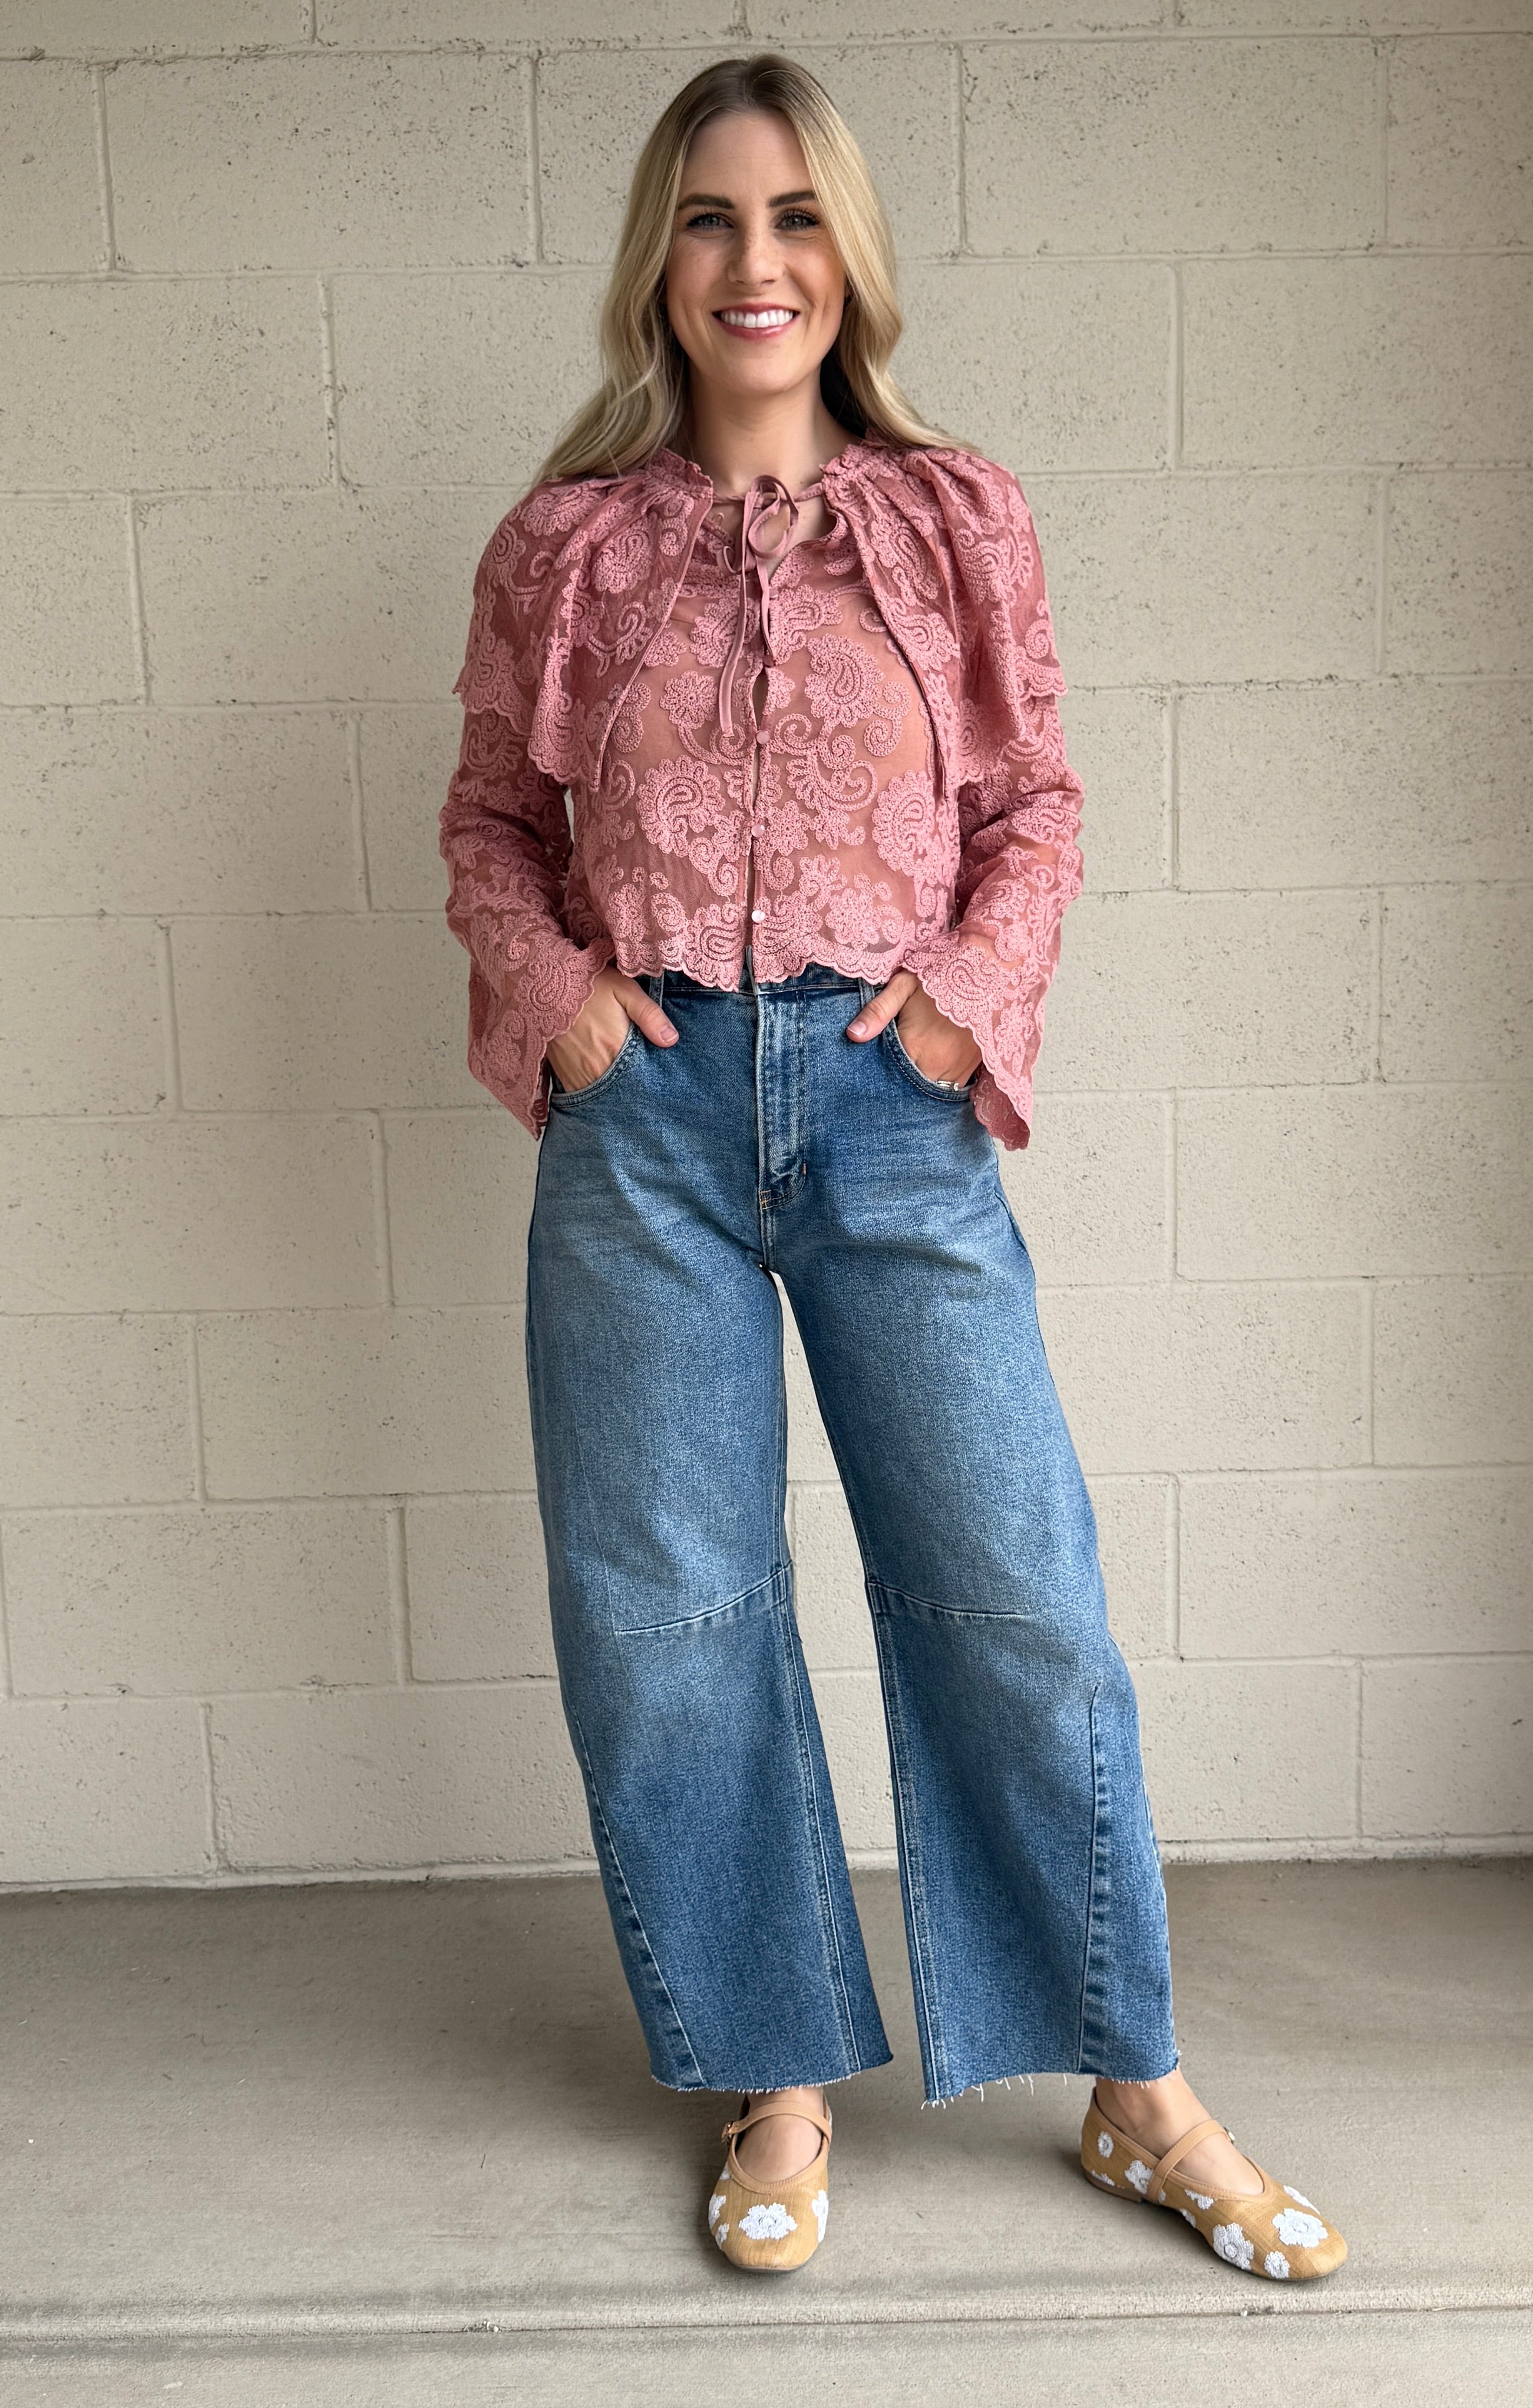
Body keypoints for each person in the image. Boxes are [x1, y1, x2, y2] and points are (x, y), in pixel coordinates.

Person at [438, 50, 1346, 2287]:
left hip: (884, 1100)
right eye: (713, 220)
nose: (759, 265)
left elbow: (1033, 798)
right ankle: (771, 2075)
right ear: (657, 264)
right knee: (671, 1618)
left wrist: (958, 1000)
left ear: (851, 258)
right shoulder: (564, 549)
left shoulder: (957, 521)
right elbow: (486, 822)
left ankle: (1132, 2086)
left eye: (797, 219)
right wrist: (556, 989)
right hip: (641, 1121)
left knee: (1015, 1595)